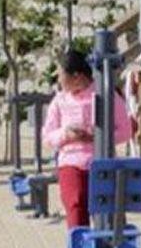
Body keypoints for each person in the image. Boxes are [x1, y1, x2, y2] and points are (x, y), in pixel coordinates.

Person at [42, 46, 135, 228]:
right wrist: (66, 134)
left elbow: (125, 131)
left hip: (101, 161)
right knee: (76, 203)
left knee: (110, 217)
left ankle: (109, 242)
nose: (58, 80)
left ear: (76, 76)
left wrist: (96, 136)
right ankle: (79, 242)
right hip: (71, 162)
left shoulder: (106, 96)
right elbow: (47, 137)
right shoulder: (60, 100)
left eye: (60, 75)